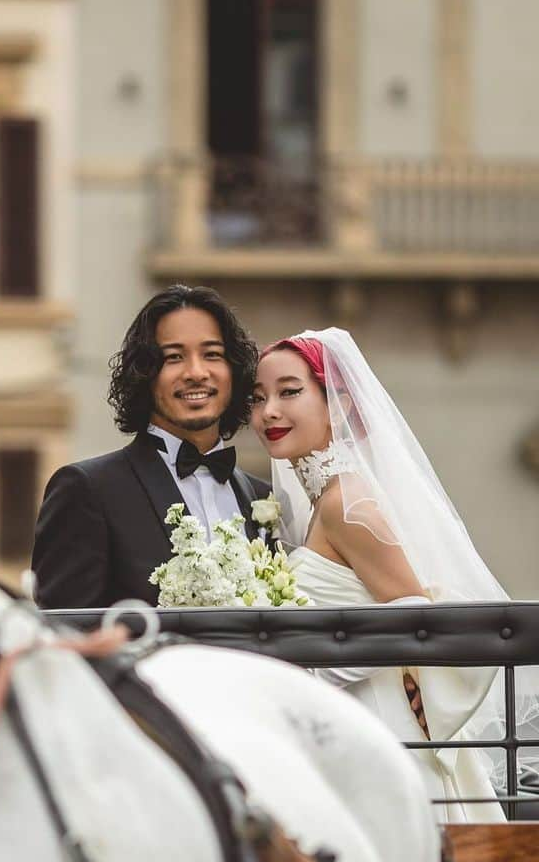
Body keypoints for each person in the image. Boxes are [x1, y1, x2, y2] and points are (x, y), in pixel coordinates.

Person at [251, 327, 521, 823]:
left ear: (342, 406)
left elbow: (415, 617)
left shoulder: (346, 506)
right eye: (258, 396)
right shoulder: (326, 502)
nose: (268, 410)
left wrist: (313, 668)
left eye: (289, 391)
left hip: (378, 722)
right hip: (347, 722)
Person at [32, 284, 271, 608]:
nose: (196, 373)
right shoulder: (88, 489)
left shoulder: (263, 498)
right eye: (174, 357)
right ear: (145, 373)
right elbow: (64, 633)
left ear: (234, 370)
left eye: (212, 354)